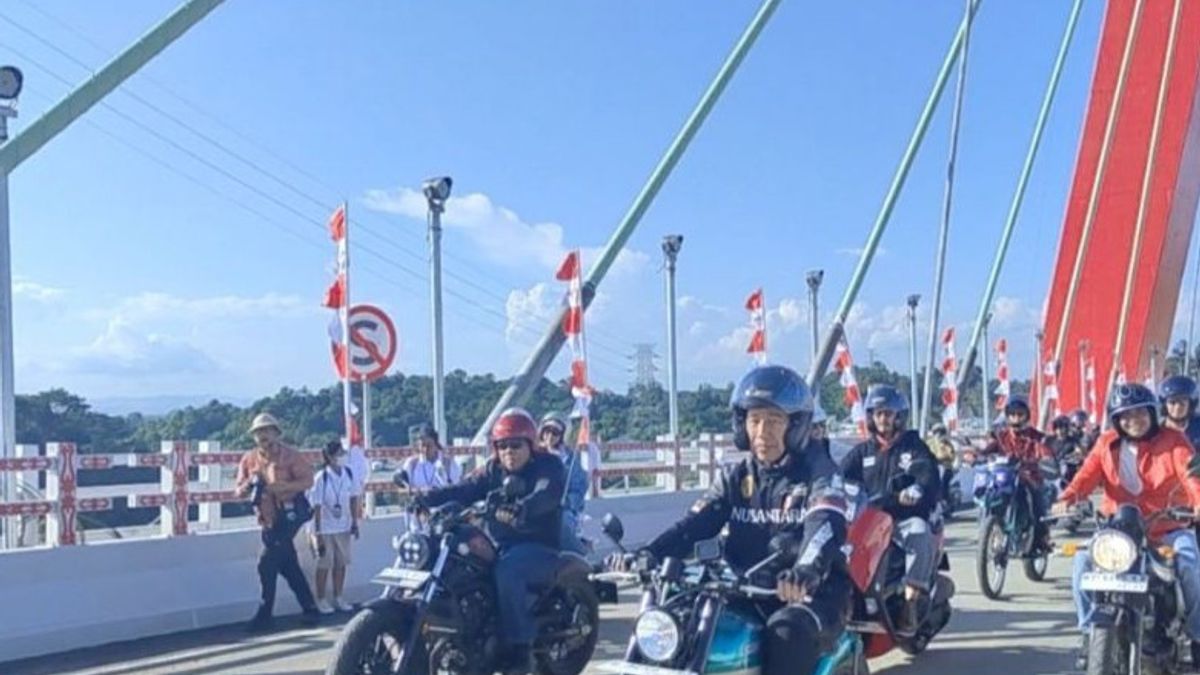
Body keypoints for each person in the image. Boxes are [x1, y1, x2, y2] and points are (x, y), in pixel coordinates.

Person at [614, 365, 850, 675]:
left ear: (795, 425)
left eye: (774, 420)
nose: (762, 433)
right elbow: (695, 524)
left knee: (786, 634)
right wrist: (650, 553)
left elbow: (824, 526)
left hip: (812, 592)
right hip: (744, 588)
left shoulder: (820, 472)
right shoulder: (735, 476)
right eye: (755, 420)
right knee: (678, 619)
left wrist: (805, 571)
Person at [1052, 383, 1200, 666]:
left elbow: (1190, 474)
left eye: (1141, 414)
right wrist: (1068, 498)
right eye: (1126, 416)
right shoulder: (1106, 443)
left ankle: (1197, 636)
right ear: (1116, 419)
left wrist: (1197, 501)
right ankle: (1088, 633)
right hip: (1118, 530)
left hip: (1165, 527)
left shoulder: (1174, 440)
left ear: (1152, 413)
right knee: (1082, 562)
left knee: (1190, 564)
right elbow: (1086, 476)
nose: (1134, 421)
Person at [415, 408, 565, 674]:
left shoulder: (548, 465)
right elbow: (464, 488)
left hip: (537, 546)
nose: (509, 451)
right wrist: (427, 497)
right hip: (498, 544)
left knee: (506, 571)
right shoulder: (492, 470)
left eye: (516, 444)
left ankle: (520, 650)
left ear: (530, 443)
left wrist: (524, 508)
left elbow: (547, 493)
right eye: (502, 445)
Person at [840, 384, 940, 630]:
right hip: (869, 518)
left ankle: (910, 603)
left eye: (888, 413)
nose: (883, 419)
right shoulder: (861, 452)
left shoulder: (912, 445)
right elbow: (838, 475)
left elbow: (926, 470)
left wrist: (916, 489)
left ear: (898, 417)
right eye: (878, 413)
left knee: (918, 532)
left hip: (902, 518)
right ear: (871, 417)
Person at [235, 412, 320, 632]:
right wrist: (249, 487)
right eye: (258, 432)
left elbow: (308, 480)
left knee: (266, 563)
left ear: (276, 433)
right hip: (267, 518)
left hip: (288, 516)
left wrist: (284, 487)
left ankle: (265, 614)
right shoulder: (249, 459)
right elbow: (238, 490)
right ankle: (310, 607)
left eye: (266, 430)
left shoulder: (291, 456)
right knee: (287, 565)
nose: (262, 435)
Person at [982, 396, 1056, 554]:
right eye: (1012, 414)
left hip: (1029, 477)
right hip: (1005, 477)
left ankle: (1042, 539)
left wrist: (1045, 458)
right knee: (989, 493)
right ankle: (990, 527)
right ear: (1007, 416)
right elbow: (988, 449)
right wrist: (975, 454)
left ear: (1026, 416)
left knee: (1038, 502)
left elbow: (1045, 451)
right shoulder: (1001, 436)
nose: (1016, 418)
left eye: (1019, 414)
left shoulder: (1036, 437)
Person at [308, 441, 360, 614]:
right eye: (339, 453)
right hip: (325, 527)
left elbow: (354, 498)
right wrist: (317, 533)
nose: (342, 456)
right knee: (324, 563)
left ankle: (339, 597)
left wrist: (354, 522)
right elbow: (316, 506)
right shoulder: (321, 477)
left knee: (341, 563)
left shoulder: (349, 474)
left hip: (343, 526)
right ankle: (320, 599)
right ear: (329, 457)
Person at [538, 412, 588, 555]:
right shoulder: (532, 453)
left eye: (555, 432)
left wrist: (567, 502)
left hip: (560, 509)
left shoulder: (570, 459)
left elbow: (579, 487)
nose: (550, 436)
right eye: (546, 430)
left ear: (562, 435)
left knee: (563, 524)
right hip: (533, 508)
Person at [402, 422, 462, 492]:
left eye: (429, 445)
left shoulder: (448, 464)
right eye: (423, 445)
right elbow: (403, 488)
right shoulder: (411, 464)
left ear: (436, 445)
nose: (426, 449)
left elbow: (457, 487)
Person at [1159, 375, 1200, 450]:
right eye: (1172, 402)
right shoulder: (1158, 434)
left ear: (1191, 405)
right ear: (1165, 405)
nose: (1177, 407)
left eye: (1182, 402)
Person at [1047, 414, 1085, 484]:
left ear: (1067, 428)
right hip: (1052, 473)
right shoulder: (1049, 441)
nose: (1060, 430)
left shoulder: (1073, 441)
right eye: (1057, 428)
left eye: (1062, 427)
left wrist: (1075, 456)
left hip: (1068, 476)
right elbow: (1043, 456)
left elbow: (1080, 454)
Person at [925, 423, 957, 507]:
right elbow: (924, 453)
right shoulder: (929, 442)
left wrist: (942, 456)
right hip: (931, 467)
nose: (938, 434)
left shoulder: (947, 444)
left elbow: (951, 456)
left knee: (944, 482)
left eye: (941, 432)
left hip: (945, 467)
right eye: (936, 432)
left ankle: (945, 499)